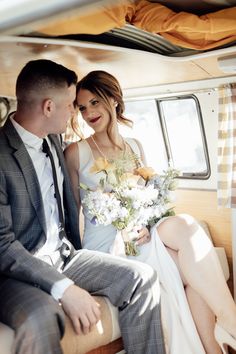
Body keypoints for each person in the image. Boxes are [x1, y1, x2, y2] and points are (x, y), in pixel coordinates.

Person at [0, 60, 167, 354]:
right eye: (71, 106)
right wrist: (63, 288)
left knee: (142, 278)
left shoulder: (53, 139)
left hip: (66, 257)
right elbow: (2, 245)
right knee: (41, 315)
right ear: (49, 107)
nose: (77, 114)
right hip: (15, 272)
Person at [65, 69, 236, 354]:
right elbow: (71, 216)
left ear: (114, 100)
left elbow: (148, 198)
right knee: (197, 274)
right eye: (82, 107)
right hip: (109, 247)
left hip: (142, 236)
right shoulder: (76, 152)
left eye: (95, 102)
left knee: (187, 227)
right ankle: (228, 330)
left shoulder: (134, 146)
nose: (88, 112)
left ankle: (221, 335)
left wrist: (145, 224)